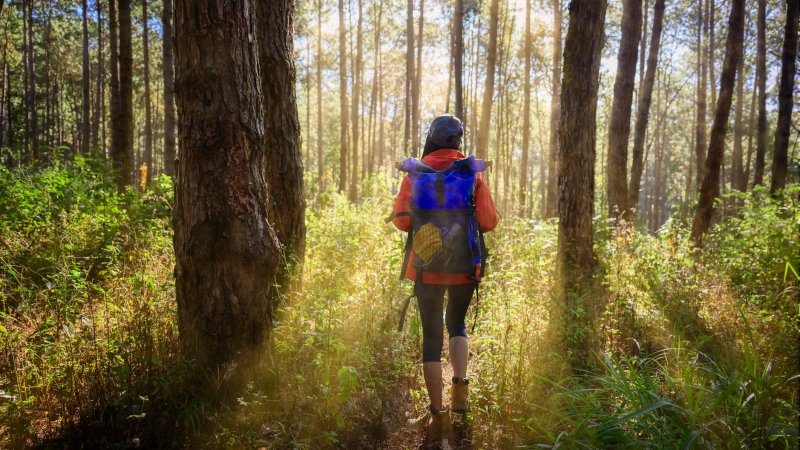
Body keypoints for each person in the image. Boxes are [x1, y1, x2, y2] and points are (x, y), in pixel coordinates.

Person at [390, 115, 499, 442]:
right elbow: (488, 222)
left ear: (432, 138)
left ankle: (438, 417)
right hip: (464, 266)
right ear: (458, 140)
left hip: (426, 268)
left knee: (431, 337)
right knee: (458, 323)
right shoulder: (471, 173)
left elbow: (401, 221)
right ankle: (460, 392)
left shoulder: (416, 173)